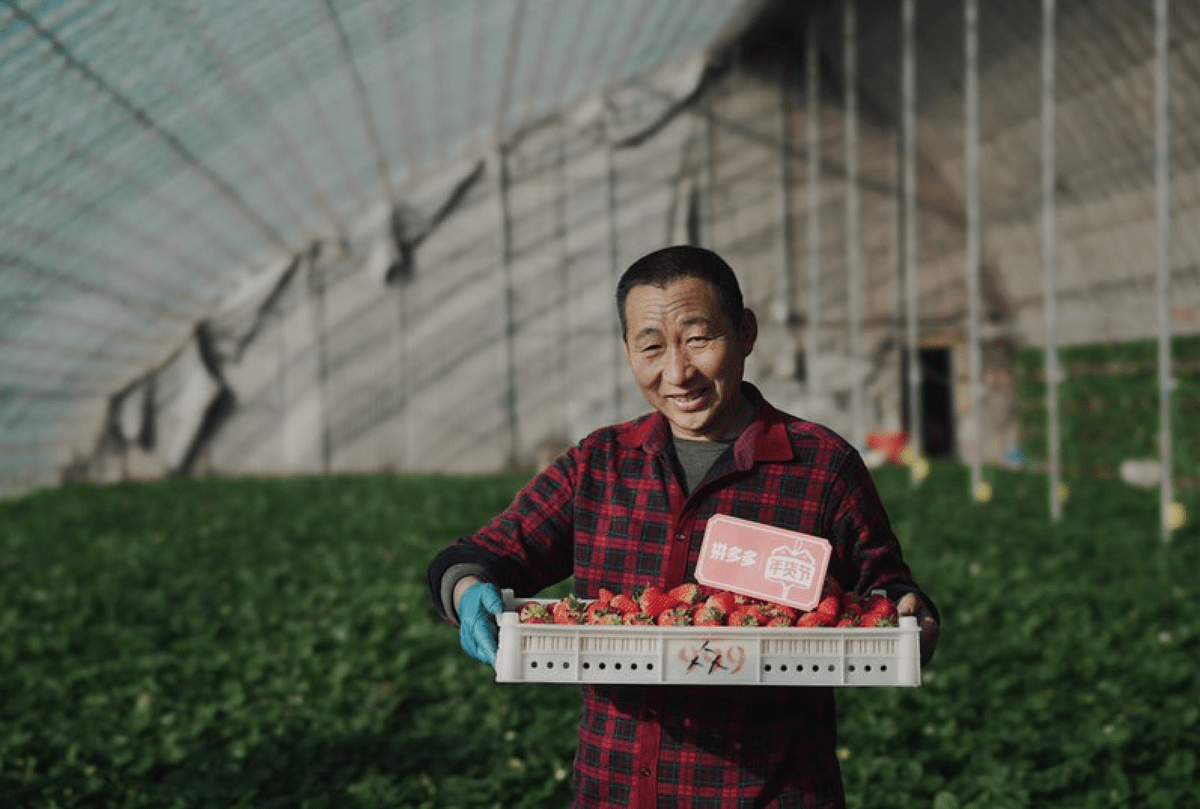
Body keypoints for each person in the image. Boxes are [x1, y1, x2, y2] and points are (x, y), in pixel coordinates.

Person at [427, 245, 940, 809]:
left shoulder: (820, 467)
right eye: (651, 346)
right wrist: (466, 588)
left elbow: (887, 591)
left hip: (770, 794)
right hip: (615, 792)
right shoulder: (600, 463)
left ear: (745, 332)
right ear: (627, 352)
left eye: (699, 339)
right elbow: (484, 553)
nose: (678, 372)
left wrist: (912, 616)